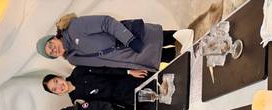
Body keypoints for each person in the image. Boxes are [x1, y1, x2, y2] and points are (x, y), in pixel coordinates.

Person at [36, 14, 178, 71]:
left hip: (136, 39)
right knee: (177, 56)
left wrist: (129, 39)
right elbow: (104, 65)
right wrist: (129, 70)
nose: (53, 50)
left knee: (179, 38)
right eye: (51, 54)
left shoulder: (74, 27)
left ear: (53, 38)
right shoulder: (73, 59)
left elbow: (106, 22)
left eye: (50, 46)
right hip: (134, 58)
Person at [42, 66, 146, 106]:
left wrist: (128, 71)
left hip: (128, 80)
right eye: (55, 89)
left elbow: (105, 70)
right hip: (127, 99)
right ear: (57, 94)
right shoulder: (77, 101)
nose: (59, 86)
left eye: (56, 81)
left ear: (59, 76)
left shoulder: (78, 71)